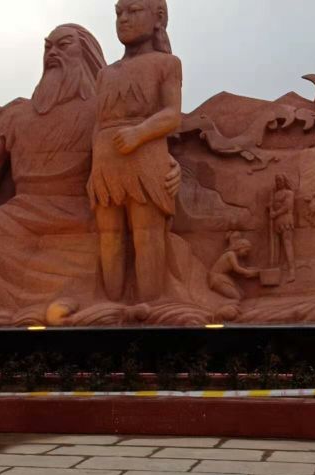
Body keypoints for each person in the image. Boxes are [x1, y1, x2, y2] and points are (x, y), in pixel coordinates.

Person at [0, 24, 180, 314]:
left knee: (109, 243)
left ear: (86, 55)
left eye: (63, 45)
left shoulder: (99, 111)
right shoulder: (17, 114)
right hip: (19, 213)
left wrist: (167, 164)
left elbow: (127, 147)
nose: (53, 53)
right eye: (48, 47)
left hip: (74, 214)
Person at [88, 0, 182, 303]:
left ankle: (150, 307)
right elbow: (97, 124)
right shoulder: (105, 74)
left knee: (147, 234)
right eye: (118, 13)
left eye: (134, 11)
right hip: (106, 164)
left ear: (158, 17)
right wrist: (94, 166)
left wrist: (139, 133)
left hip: (145, 157)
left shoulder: (167, 64)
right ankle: (112, 306)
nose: (123, 19)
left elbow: (172, 115)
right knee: (109, 237)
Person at [208, 232, 259, 300]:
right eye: (246, 251)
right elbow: (237, 268)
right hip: (217, 279)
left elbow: (242, 268)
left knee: (242, 295)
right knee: (236, 297)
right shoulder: (230, 254)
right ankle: (223, 304)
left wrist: (252, 270)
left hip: (224, 277)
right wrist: (249, 272)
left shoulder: (235, 256)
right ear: (240, 247)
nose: (246, 254)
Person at [270, 174, 296, 283]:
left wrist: (275, 213)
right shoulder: (275, 194)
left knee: (287, 244)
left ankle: (292, 271)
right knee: (276, 246)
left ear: (285, 181)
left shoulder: (289, 193)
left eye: (280, 180)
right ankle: (277, 269)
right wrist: (270, 208)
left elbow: (287, 206)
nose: (278, 182)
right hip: (276, 222)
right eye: (276, 180)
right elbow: (272, 205)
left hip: (286, 220)